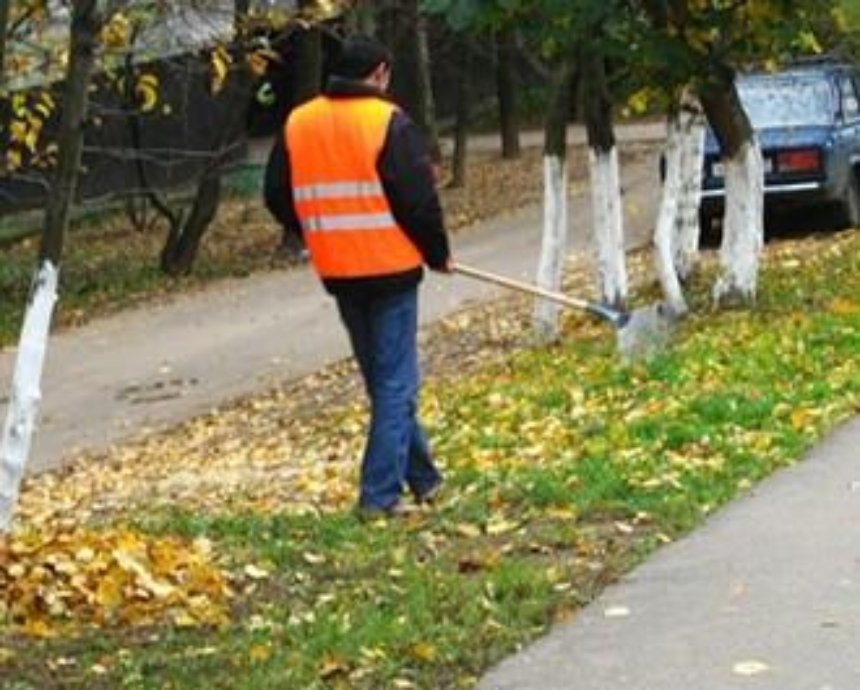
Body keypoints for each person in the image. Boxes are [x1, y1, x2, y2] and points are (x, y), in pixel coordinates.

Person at [265, 34, 452, 518]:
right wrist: (437, 253)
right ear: (381, 73)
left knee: (384, 381)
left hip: (339, 271)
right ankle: (379, 497)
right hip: (390, 268)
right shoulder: (387, 121)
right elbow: (418, 200)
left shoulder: (299, 122)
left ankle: (426, 481)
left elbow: (276, 195)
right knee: (395, 385)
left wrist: (312, 228)